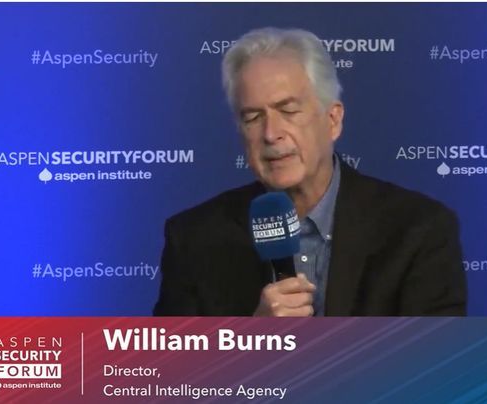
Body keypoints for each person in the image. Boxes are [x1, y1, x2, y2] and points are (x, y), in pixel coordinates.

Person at [153, 27, 466, 317]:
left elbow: (437, 357)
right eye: (253, 117)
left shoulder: (418, 230)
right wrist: (251, 339)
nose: (271, 134)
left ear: (333, 120)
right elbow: (171, 359)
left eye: (288, 111)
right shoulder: (193, 239)